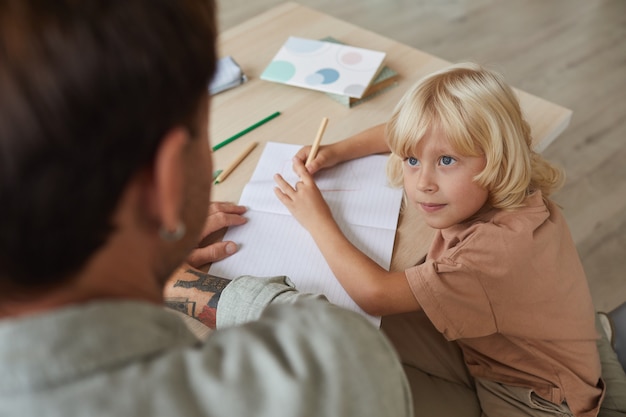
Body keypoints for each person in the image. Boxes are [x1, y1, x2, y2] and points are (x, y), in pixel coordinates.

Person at [0, 1, 413, 416]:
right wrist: (181, 285)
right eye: (203, 134)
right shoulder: (324, 373)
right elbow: (338, 348)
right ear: (166, 181)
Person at [274, 62, 605, 416]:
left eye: (446, 160)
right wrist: (337, 151)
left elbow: (376, 294)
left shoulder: (494, 252)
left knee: (353, 389)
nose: (422, 183)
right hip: (492, 350)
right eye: (412, 160)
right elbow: (402, 132)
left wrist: (316, 218)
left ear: (498, 158)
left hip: (539, 399)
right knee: (349, 335)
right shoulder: (510, 169)